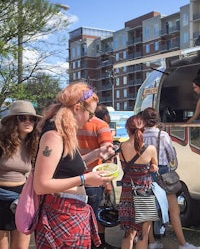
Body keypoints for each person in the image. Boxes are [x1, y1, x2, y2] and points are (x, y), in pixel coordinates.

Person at [33, 81, 117, 248]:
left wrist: (96, 154)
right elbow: (41, 185)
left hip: (69, 212)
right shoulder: (54, 135)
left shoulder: (64, 133)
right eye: (91, 114)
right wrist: (85, 179)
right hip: (60, 214)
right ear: (78, 108)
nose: (91, 118)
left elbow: (65, 168)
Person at [142, 107, 200, 249]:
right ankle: (183, 244)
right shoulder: (162, 135)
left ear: (143, 121)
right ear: (157, 120)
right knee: (174, 211)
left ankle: (152, 243)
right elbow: (172, 156)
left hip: (145, 174)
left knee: (149, 212)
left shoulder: (140, 135)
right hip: (163, 174)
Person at [0, 100, 41, 249]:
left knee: (21, 246)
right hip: (1, 197)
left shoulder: (34, 142)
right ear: (13, 121)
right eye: (22, 118)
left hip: (22, 198)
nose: (28, 121)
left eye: (32, 118)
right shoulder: (2, 142)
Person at [78, 104, 118, 249]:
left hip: (71, 182)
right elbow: (108, 154)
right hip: (94, 180)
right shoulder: (101, 125)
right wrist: (107, 183)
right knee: (93, 218)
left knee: (78, 220)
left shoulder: (72, 125)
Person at [118, 115, 159, 249]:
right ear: (144, 129)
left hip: (127, 193)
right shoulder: (151, 149)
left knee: (128, 234)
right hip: (144, 192)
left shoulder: (121, 147)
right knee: (143, 234)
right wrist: (153, 167)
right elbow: (155, 167)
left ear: (127, 129)